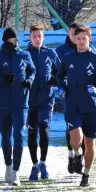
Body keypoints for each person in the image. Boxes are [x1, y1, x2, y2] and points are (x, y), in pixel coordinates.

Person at [57, 24, 96, 187]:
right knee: (77, 137)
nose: (80, 41)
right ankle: (75, 154)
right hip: (72, 104)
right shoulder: (67, 58)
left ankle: (86, 175)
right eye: (77, 38)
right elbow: (60, 78)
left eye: (83, 38)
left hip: (91, 107)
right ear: (74, 39)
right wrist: (62, 89)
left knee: (89, 142)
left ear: (89, 39)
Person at [0, 27, 36, 186]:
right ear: (5, 41)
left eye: (16, 40)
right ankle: (8, 165)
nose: (14, 43)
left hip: (21, 103)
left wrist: (29, 80)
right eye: (11, 41)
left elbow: (32, 70)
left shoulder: (24, 55)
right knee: (6, 137)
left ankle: (16, 172)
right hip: (3, 104)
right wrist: (2, 80)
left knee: (19, 135)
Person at [55, 22, 96, 175]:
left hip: (88, 101)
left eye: (80, 36)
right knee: (72, 129)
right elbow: (57, 73)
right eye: (74, 35)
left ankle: (79, 157)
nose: (77, 38)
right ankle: (72, 154)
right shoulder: (62, 52)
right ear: (69, 35)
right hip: (71, 98)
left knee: (86, 134)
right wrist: (61, 87)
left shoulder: (92, 53)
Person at [25, 24, 61, 182]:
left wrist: (56, 79)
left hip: (47, 99)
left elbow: (61, 71)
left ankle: (43, 163)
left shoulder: (51, 53)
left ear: (44, 37)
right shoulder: (25, 54)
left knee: (44, 128)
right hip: (29, 100)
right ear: (30, 38)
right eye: (34, 36)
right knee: (32, 133)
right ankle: (34, 165)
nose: (37, 39)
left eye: (39, 36)